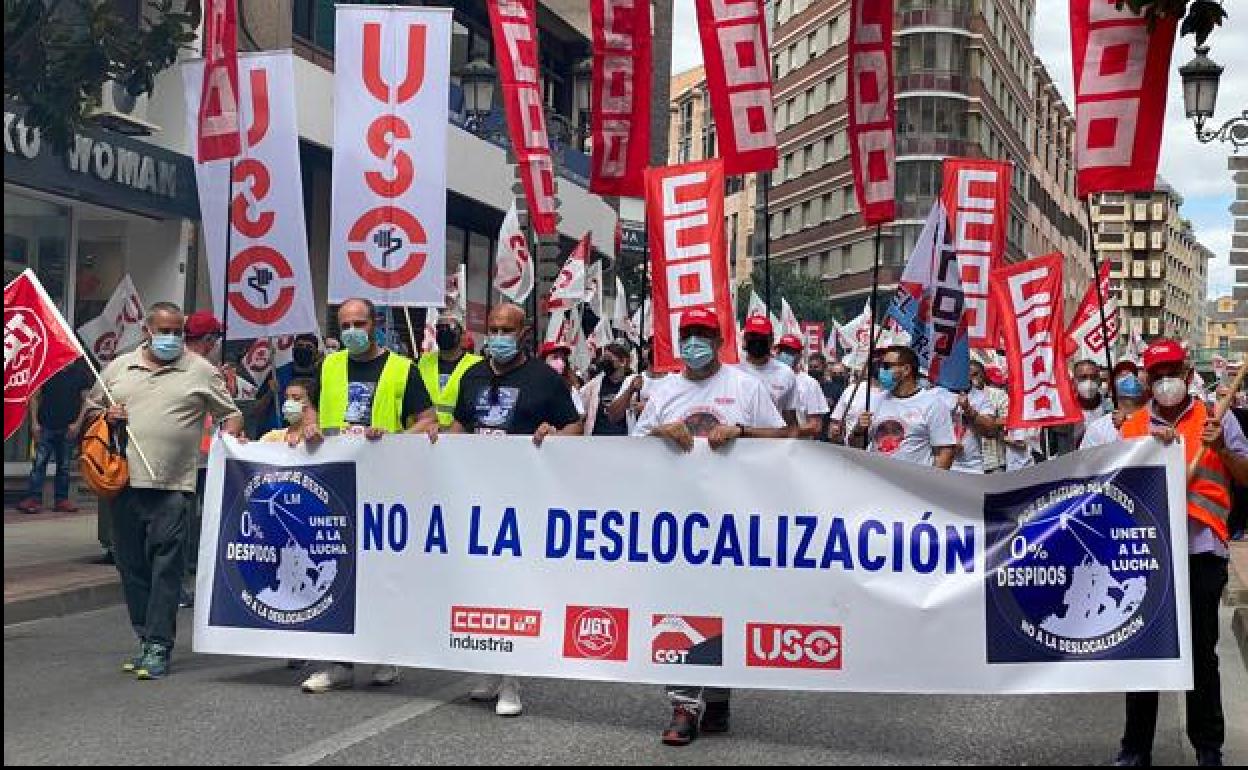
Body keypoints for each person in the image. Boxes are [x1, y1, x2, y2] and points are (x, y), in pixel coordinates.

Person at [631, 307, 787, 746]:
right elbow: (633, 447)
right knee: (679, 605)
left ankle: (718, 695)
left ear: (719, 342)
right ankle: (683, 704)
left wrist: (740, 431)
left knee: (726, 605)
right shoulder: (663, 391)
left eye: (703, 335)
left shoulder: (745, 386)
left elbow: (782, 439)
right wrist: (662, 430)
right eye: (687, 335)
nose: (694, 343)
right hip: (676, 521)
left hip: (733, 521)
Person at [83, 302, 244, 680]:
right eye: (164, 331)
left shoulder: (200, 370)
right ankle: (144, 637)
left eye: (178, 332)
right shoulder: (119, 368)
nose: (171, 339)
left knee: (166, 567)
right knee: (131, 566)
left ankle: (159, 645)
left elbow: (229, 412)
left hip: (173, 487)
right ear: (147, 330)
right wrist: (106, 415)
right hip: (122, 484)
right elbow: (88, 413)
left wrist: (233, 437)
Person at [1114, 340, 1248, 768]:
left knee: (1201, 652)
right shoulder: (1131, 427)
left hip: (1201, 551)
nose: (1166, 380)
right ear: (1147, 380)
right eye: (1157, 373)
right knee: (1142, 651)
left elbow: (1245, 475)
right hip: (1147, 555)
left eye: (1173, 370)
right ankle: (1136, 748)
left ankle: (1208, 747)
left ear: (1189, 374)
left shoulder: (1217, 420)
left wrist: (1223, 448)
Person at [296, 297, 437, 694]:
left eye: (360, 323)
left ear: (375, 324)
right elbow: (309, 407)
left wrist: (394, 440)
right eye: (345, 324)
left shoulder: (401, 370)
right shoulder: (331, 365)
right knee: (332, 566)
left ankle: (385, 651)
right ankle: (337, 661)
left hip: (383, 485)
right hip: (334, 483)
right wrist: (307, 424)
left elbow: (427, 421)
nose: (352, 331)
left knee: (380, 571)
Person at [448, 303, 583, 716]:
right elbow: (460, 425)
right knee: (482, 582)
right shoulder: (472, 375)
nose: (499, 337)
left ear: (523, 334)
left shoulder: (544, 379)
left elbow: (575, 426)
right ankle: (490, 668)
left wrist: (554, 433)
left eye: (507, 330)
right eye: (493, 329)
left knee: (514, 585)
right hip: (477, 498)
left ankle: (512, 679)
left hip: (523, 502)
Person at [849, 346, 956, 470]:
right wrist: (858, 430)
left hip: (911, 484)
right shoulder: (875, 401)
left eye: (887, 366)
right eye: (881, 366)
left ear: (906, 369)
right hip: (876, 481)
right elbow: (856, 447)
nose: (882, 371)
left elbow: (945, 452)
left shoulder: (933, 404)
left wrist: (932, 485)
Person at [16, 358, 93, 514]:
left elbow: (87, 401)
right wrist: (34, 424)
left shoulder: (81, 375)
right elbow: (34, 397)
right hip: (46, 426)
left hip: (68, 428)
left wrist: (78, 424)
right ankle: (34, 499)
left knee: (64, 466)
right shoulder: (48, 371)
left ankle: (61, 499)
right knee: (39, 464)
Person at [417, 313, 482, 429]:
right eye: (439, 328)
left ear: (462, 334)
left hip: (459, 436)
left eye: (449, 327)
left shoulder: (477, 365)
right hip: (425, 434)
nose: (443, 331)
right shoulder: (423, 361)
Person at [737, 316, 799, 435]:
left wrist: (792, 448)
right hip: (739, 444)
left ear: (771, 340)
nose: (757, 341)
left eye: (762, 337)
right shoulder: (734, 370)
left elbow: (790, 419)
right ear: (745, 339)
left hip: (771, 443)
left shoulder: (786, 373)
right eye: (753, 336)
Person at [254, 333, 323, 436]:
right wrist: (270, 393)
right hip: (274, 436)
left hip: (307, 435)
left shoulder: (321, 376)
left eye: (309, 347)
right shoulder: (277, 373)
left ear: (316, 353)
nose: (303, 349)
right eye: (300, 346)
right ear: (293, 349)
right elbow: (256, 411)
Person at [1081, 361, 1148, 449]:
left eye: (1133, 374)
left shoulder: (1157, 421)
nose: (1130, 378)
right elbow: (1087, 460)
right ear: (1111, 390)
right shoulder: (1098, 428)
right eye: (1122, 376)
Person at [775, 335, 829, 439]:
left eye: (790, 352)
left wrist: (785, 433)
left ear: (799, 356)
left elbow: (815, 426)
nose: (785, 355)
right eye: (782, 351)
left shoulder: (810, 384)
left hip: (798, 447)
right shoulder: (767, 379)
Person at [580, 341, 635, 436]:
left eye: (609, 359)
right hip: (596, 441)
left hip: (624, 442)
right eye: (604, 358)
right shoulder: (593, 385)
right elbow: (579, 409)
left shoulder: (634, 384)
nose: (604, 362)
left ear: (623, 362)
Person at [259, 379, 316, 444]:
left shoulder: (324, 435)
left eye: (296, 398)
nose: (288, 403)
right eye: (286, 398)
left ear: (311, 403)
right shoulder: (273, 437)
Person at [539, 340, 586, 418]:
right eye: (555, 357)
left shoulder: (570, 388)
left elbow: (581, 415)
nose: (560, 362)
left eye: (563, 359)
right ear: (543, 361)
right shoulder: (534, 385)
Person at [1073, 358, 1111, 445]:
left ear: (1099, 381)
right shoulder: (1067, 412)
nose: (1089, 382)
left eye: (1093, 377)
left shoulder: (1111, 408)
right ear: (1074, 381)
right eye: (1083, 377)